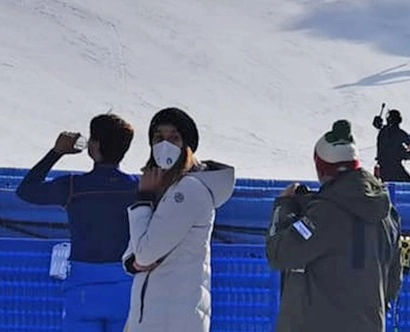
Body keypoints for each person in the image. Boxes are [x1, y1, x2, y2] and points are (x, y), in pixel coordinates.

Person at [267, 119, 403, 332]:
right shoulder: (387, 213)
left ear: (322, 169)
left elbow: (279, 253)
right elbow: (393, 280)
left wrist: (284, 208)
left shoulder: (325, 214)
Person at [15, 114, 138, 332]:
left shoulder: (73, 186)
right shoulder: (139, 188)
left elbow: (27, 190)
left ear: (94, 146)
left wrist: (57, 152)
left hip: (83, 287)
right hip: (126, 285)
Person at [122, 107, 235, 332]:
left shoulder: (188, 191)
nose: (165, 145)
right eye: (158, 138)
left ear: (187, 145)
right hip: (155, 314)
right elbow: (135, 250)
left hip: (171, 319)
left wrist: (143, 200)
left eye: (174, 137)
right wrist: (131, 262)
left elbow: (145, 252)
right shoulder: (166, 190)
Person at [374, 108, 410, 182]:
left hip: (382, 168)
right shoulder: (401, 134)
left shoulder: (383, 131)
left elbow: (378, 125)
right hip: (395, 168)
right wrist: (406, 154)